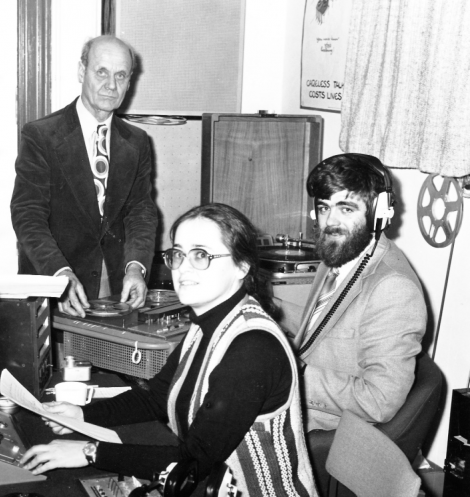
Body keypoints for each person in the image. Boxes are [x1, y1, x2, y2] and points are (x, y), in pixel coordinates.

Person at [20, 203, 318, 496]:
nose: (183, 268)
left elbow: (194, 460)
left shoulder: (251, 347)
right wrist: (82, 414)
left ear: (242, 266)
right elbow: (156, 396)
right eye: (178, 254)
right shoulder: (207, 324)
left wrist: (88, 451)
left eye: (201, 255)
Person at [293, 153, 426, 495]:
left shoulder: (392, 287)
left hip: (322, 434)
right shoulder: (339, 256)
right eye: (324, 207)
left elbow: (380, 399)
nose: (329, 221)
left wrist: (291, 375)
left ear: (379, 214)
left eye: (347, 208)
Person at [11, 35, 158, 317]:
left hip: (115, 288)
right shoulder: (41, 135)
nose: (111, 85)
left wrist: (136, 267)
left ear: (129, 82)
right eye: (101, 72)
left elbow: (141, 212)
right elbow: (27, 214)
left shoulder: (138, 142)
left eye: (121, 75)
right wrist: (59, 274)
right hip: (54, 283)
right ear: (82, 71)